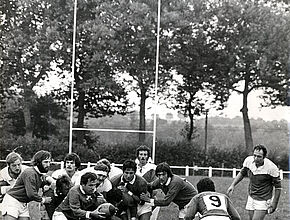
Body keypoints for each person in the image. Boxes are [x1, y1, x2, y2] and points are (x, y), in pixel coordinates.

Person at [227, 144, 282, 220]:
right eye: (254, 155)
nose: (256, 158)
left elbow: (278, 187)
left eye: (259, 156)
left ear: (264, 157)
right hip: (251, 196)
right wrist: (232, 185)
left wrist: (274, 204)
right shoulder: (248, 161)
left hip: (263, 199)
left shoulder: (271, 168)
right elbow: (242, 173)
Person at [1, 150, 54, 220]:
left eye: (49, 162)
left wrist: (53, 182)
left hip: (23, 203)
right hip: (12, 201)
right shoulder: (30, 173)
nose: (48, 165)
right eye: (45, 162)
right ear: (38, 162)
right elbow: (31, 194)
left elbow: (44, 179)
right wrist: (44, 200)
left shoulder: (37, 173)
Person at [135, 145, 159, 220]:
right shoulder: (133, 168)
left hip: (147, 198)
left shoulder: (152, 168)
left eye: (145, 155)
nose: (142, 157)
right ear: (137, 156)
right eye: (141, 154)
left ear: (148, 156)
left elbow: (155, 186)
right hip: (134, 199)